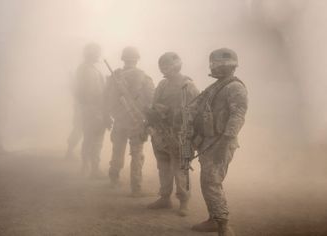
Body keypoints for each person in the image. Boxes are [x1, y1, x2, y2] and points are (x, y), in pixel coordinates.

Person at [191, 48, 248, 236]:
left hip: (221, 141)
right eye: (214, 64)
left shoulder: (235, 87)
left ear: (229, 66)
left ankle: (224, 225)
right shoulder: (217, 86)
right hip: (209, 140)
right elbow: (198, 107)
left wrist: (226, 139)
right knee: (207, 181)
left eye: (218, 64)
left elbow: (238, 115)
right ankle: (213, 219)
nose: (214, 68)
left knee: (211, 182)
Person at [147, 52, 199, 216]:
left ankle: (184, 202)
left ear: (177, 65)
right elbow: (154, 105)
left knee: (181, 170)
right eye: (162, 66)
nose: (164, 69)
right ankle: (164, 198)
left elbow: (196, 111)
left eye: (167, 66)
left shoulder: (188, 86)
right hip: (161, 134)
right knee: (163, 167)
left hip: (180, 136)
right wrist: (151, 116)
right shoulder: (162, 85)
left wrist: (170, 112)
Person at [105, 46, 154, 197]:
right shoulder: (144, 78)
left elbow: (106, 99)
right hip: (136, 122)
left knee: (117, 151)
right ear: (137, 59)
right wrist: (148, 120)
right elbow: (151, 100)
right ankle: (136, 187)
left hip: (120, 121)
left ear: (123, 59)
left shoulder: (114, 77)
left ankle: (114, 179)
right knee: (137, 155)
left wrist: (110, 115)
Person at [74, 43, 111, 178]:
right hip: (93, 109)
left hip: (93, 109)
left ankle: (88, 167)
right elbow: (89, 92)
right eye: (96, 52)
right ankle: (92, 169)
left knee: (91, 139)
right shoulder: (86, 70)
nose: (98, 55)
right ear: (91, 54)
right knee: (94, 140)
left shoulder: (88, 69)